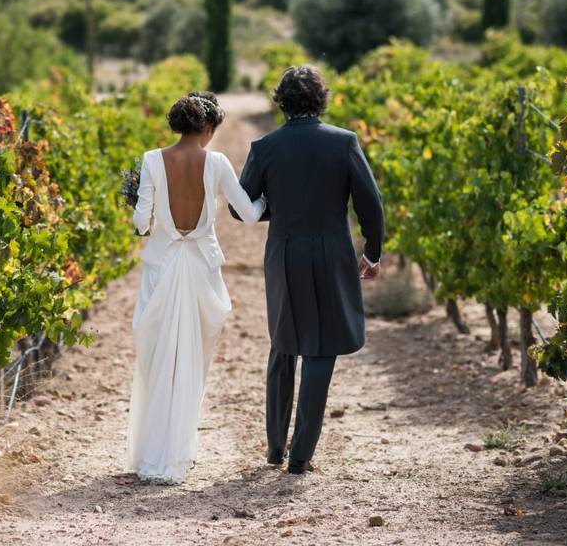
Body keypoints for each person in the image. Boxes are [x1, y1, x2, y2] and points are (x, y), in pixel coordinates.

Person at [230, 66, 385, 474]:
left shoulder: (265, 147)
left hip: (284, 253)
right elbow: (371, 203)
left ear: (281, 101)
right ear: (321, 99)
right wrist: (372, 252)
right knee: (321, 350)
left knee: (283, 345)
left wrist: (275, 208)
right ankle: (301, 456)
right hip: (332, 254)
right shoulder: (344, 142)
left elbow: (239, 206)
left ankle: (274, 447)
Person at [126, 92, 266, 484]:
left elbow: (141, 222)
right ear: (207, 128)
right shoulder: (217, 162)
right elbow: (251, 214)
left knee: (158, 361)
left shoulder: (152, 160)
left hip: (164, 267)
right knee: (192, 361)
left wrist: (142, 211)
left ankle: (153, 453)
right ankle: (179, 452)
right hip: (202, 268)